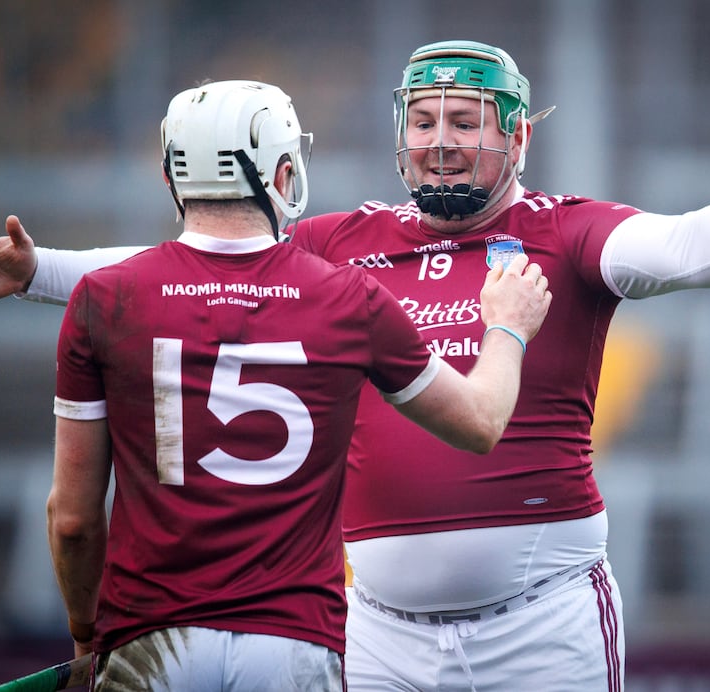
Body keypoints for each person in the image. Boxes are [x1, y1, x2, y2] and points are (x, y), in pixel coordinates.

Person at [0, 41, 710, 691]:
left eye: (466, 121)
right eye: (423, 121)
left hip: (544, 626)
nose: (441, 141)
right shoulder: (341, 244)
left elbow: (683, 240)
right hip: (377, 634)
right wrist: (38, 272)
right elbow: (178, 265)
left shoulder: (568, 232)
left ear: (518, 136)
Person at [39, 78, 551, 691]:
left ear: (173, 175)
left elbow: (73, 520)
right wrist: (508, 329)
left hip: (152, 639)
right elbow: (480, 422)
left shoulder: (103, 298)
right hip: (292, 642)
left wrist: (85, 632)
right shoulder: (349, 297)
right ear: (284, 173)